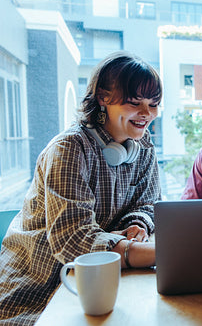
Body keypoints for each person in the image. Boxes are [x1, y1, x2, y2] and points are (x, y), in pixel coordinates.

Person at [0, 51, 160, 324]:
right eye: (135, 103)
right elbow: (73, 240)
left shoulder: (142, 147)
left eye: (154, 104)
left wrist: (138, 223)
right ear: (103, 98)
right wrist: (157, 253)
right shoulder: (68, 149)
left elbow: (147, 204)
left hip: (101, 282)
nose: (147, 114)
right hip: (37, 292)